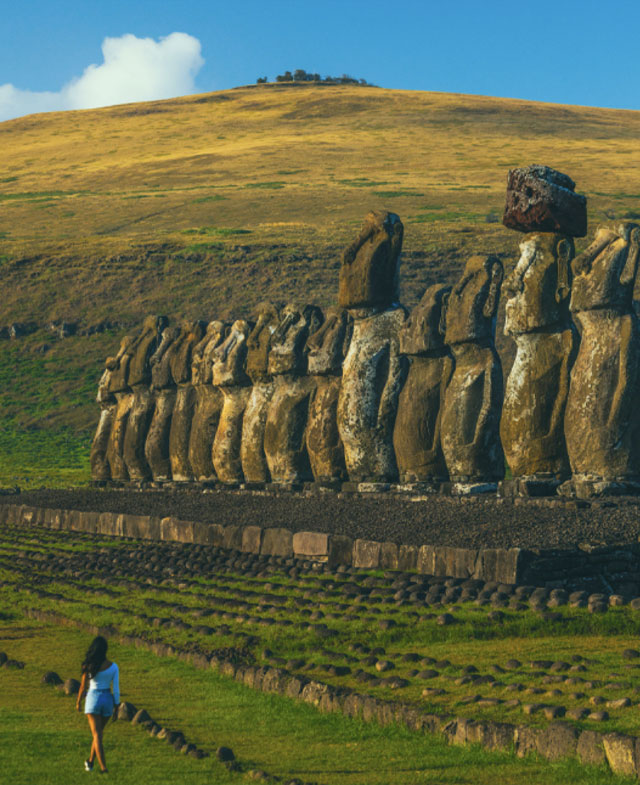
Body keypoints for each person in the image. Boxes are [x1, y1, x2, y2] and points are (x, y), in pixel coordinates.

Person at [75, 635, 120, 774]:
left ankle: (103, 768)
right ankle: (90, 761)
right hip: (107, 699)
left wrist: (78, 702)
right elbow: (116, 689)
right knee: (98, 735)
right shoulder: (113, 667)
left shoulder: (88, 666)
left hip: (93, 699)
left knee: (97, 735)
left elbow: (83, 687)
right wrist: (117, 706)